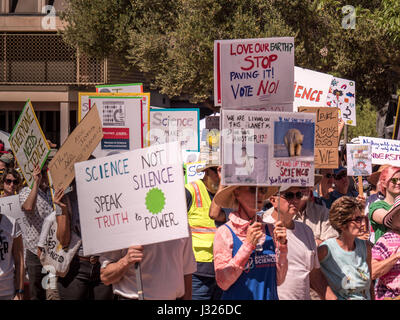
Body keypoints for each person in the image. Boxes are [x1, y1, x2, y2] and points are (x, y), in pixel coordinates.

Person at [212, 185, 288, 300]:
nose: (260, 194)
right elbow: (223, 282)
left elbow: (279, 280)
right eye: (252, 189)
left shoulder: (271, 230)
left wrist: (283, 248)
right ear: (237, 193)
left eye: (262, 190)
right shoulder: (225, 232)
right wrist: (247, 246)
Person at [263, 185, 337, 300]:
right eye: (289, 196)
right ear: (273, 200)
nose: (296, 200)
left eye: (298, 195)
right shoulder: (262, 230)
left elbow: (313, 273)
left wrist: (331, 297)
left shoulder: (306, 231)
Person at [53, 182, 114, 300]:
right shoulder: (66, 199)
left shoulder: (108, 195)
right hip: (77, 268)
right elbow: (63, 241)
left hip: (103, 265)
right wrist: (63, 209)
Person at [99, 229, 197, 300]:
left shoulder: (180, 225)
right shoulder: (122, 229)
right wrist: (125, 261)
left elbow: (187, 272)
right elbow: (105, 277)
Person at [318, 196, 374, 300]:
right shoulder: (325, 250)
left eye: (362, 218)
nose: (362, 223)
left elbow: (370, 286)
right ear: (341, 224)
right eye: (357, 220)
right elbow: (312, 277)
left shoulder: (365, 247)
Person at [185, 163, 223, 300]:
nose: (221, 177)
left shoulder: (226, 193)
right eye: (218, 171)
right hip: (197, 271)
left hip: (222, 269)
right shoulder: (190, 191)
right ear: (207, 171)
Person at [19, 164, 53, 300]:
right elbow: (28, 207)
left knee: (52, 292)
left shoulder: (52, 192)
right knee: (36, 294)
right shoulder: (26, 191)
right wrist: (35, 184)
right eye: (41, 172)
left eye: (45, 172)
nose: (44, 176)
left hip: (52, 252)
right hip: (34, 252)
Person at [0, 170, 24, 300]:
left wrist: (19, 291)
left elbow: (19, 259)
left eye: (15, 182)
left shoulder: (12, 224)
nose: (11, 184)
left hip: (7, 291)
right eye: (8, 181)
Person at [371, 195, 400, 299]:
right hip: (391, 295)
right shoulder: (386, 240)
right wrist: (396, 256)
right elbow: (372, 271)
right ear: (394, 217)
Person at [369, 166, 400, 243]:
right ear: (384, 183)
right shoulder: (376, 206)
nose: (399, 182)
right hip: (386, 252)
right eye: (394, 180)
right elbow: (388, 219)